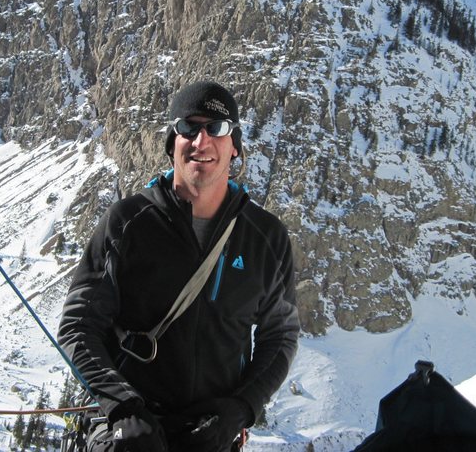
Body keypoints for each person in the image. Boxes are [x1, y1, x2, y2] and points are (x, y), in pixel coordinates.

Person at [58, 81, 300, 451]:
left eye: (216, 128)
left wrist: (237, 410)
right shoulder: (127, 223)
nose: (201, 141)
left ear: (234, 146)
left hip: (210, 435)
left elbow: (280, 336)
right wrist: (123, 408)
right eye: (188, 127)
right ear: (172, 143)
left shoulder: (265, 239)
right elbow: (78, 325)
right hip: (129, 432)